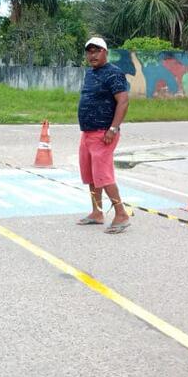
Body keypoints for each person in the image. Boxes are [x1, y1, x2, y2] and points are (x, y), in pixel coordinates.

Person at [76, 37, 131, 234]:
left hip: (104, 134)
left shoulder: (114, 73)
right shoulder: (90, 73)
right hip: (88, 133)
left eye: (96, 51)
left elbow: (123, 102)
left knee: (103, 176)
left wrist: (113, 129)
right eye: (89, 51)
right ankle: (97, 212)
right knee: (91, 175)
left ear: (105, 52)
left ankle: (121, 214)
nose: (92, 55)